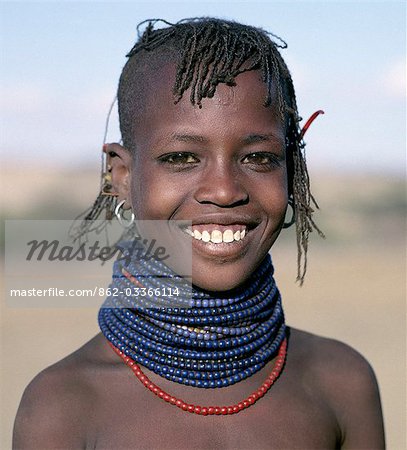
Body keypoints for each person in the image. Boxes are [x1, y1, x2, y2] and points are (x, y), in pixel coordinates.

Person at [13, 18, 385, 449]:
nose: (224, 191)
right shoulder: (62, 408)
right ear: (121, 176)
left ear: (291, 169)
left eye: (259, 158)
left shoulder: (341, 383)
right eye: (182, 157)